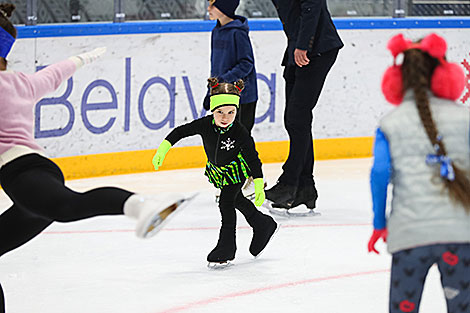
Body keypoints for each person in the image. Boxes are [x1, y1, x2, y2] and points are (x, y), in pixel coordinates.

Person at [0, 4, 185, 312]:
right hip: (39, 172)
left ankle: (143, 205)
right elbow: (55, 73)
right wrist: (83, 58)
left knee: (69, 206)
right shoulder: (22, 82)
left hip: (22, 175)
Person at [368, 33, 469, 313]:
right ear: (447, 73)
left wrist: (379, 224)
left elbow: (379, 173)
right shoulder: (465, 119)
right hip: (461, 237)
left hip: (409, 236)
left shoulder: (390, 123)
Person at [153, 78, 277, 267]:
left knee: (226, 203)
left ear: (236, 111)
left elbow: (253, 158)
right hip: (219, 170)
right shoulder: (204, 124)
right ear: (212, 110)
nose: (225, 117)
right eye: (220, 112)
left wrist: (258, 184)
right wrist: (163, 148)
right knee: (237, 200)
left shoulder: (240, 132)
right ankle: (262, 224)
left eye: (231, 112)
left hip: (236, 171)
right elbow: (180, 132)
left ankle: (226, 249)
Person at [265, 0, 344, 211]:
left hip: (315, 48)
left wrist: (303, 45)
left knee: (297, 117)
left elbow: (312, 5)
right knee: (294, 120)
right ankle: (306, 188)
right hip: (297, 47)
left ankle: (289, 184)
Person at [204, 0, 260, 200]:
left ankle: (252, 178)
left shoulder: (238, 33)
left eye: (212, 5)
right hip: (223, 94)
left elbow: (246, 64)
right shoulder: (216, 31)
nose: (208, 9)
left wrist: (223, 81)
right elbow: (216, 67)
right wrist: (212, 90)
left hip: (242, 97)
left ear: (223, 8)